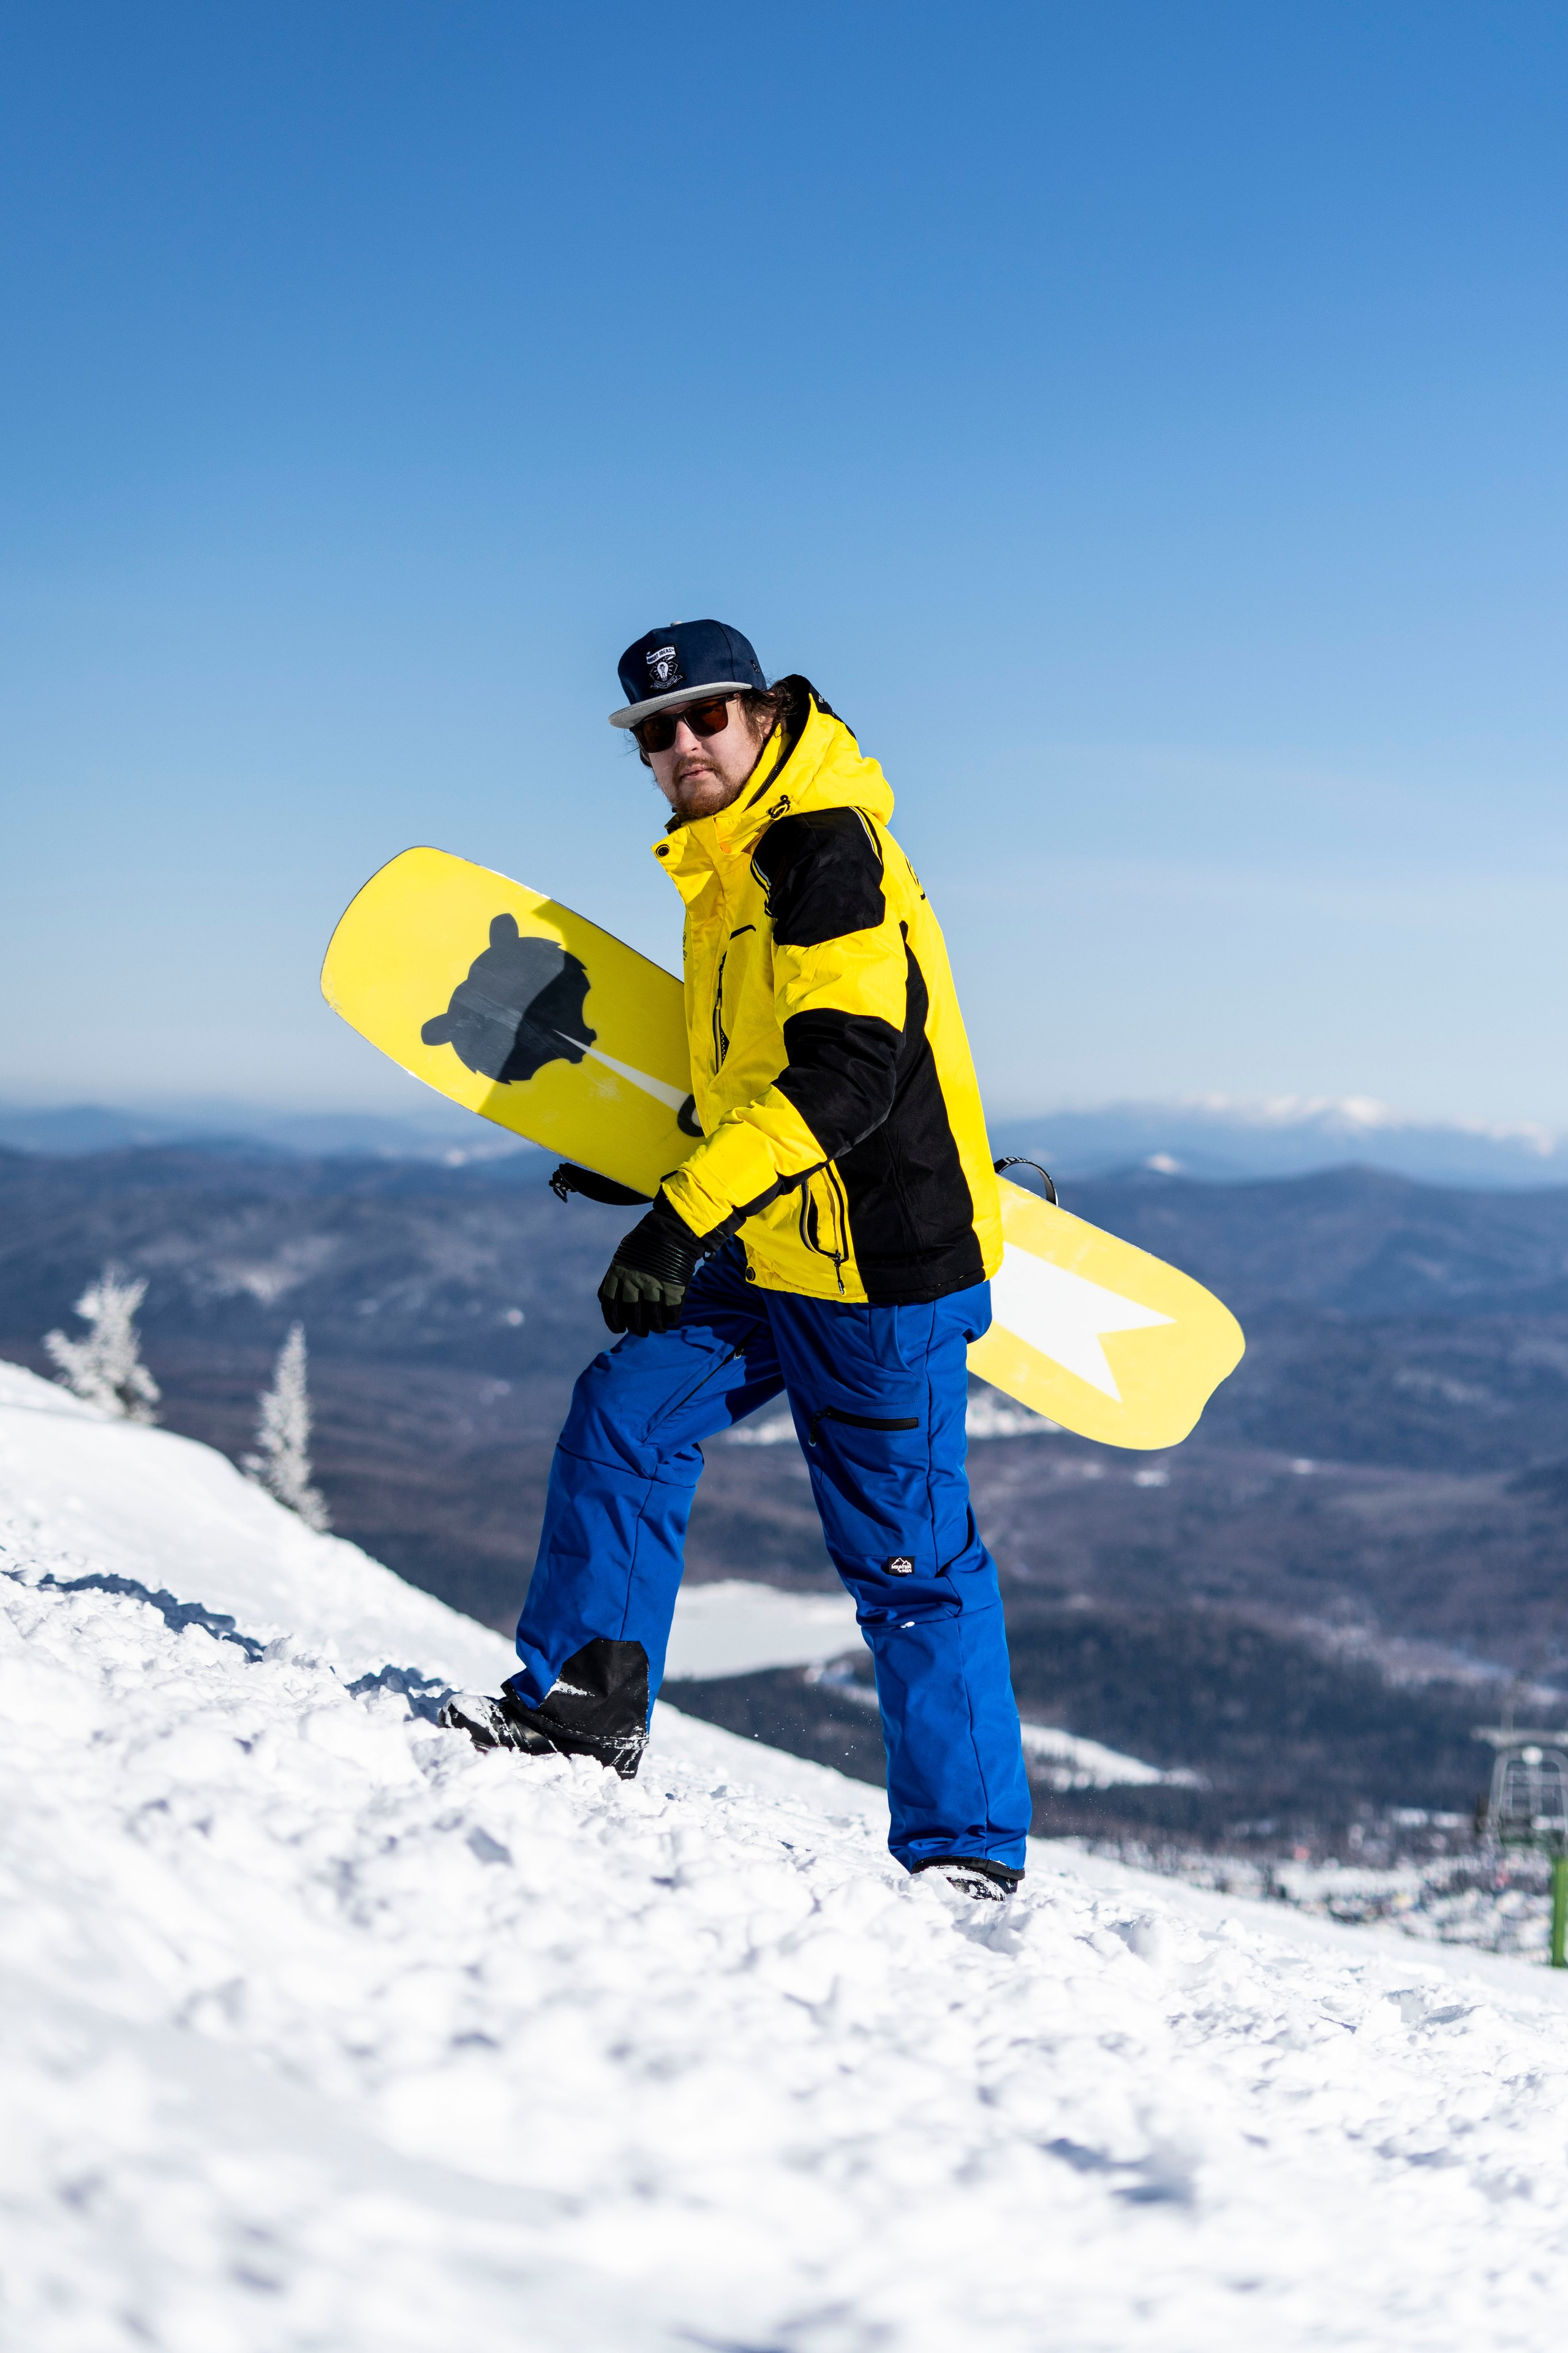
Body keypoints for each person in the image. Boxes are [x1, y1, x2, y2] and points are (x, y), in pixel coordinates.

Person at [443, 621, 1031, 1899]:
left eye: (703, 717)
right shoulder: (725, 866)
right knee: (625, 1415)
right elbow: (758, 1072)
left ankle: (966, 1854)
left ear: (759, 716)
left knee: (908, 1567)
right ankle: (587, 1705)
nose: (679, 745)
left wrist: (676, 1217)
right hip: (774, 1241)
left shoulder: (820, 848)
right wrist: (658, 1173)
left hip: (877, 1269)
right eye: (654, 731)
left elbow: (846, 1071)